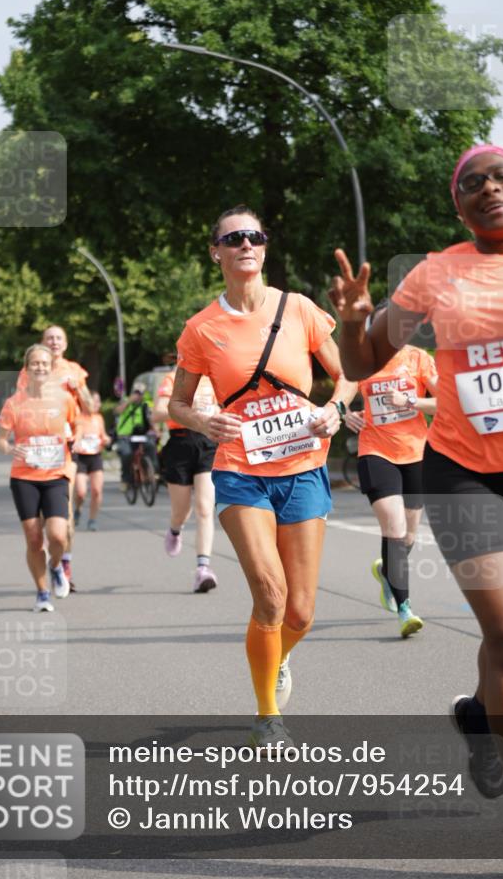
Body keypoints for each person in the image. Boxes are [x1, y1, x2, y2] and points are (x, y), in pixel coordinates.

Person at [329, 145, 503, 874]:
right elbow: (358, 364)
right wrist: (351, 321)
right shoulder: (435, 274)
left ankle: (478, 714)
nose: (489, 188)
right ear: (457, 205)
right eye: (472, 183)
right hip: (463, 471)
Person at [170, 204, 356, 749]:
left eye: (255, 236)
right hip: (240, 471)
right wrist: (203, 418)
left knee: (301, 610)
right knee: (270, 595)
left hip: (303, 467)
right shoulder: (201, 328)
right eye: (233, 239)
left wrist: (336, 411)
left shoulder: (298, 309)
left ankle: (276, 658)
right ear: (217, 252)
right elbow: (179, 404)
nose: (245, 244)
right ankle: (267, 713)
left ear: (265, 247)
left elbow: (347, 374)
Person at [345, 300, 438, 637]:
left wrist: (411, 401)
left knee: (409, 535)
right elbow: (341, 392)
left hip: (415, 453)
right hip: (375, 451)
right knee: (395, 529)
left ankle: (387, 569)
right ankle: (404, 608)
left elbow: (446, 402)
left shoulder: (418, 359)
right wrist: (343, 412)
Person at [0, 344, 78, 613]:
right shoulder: (14, 403)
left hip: (55, 474)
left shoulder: (64, 399)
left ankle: (55, 566)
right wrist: (10, 448)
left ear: (51, 367)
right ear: (27, 368)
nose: (40, 367)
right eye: (35, 364)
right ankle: (42, 592)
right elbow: (0, 441)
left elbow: (75, 428)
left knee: (57, 535)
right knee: (33, 539)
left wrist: (72, 445)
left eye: (44, 363)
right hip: (24, 477)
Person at [17, 325, 93, 588]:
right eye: (49, 337)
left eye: (59, 337)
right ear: (43, 342)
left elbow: (90, 407)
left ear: (66, 344)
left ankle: (64, 563)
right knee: (38, 523)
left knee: (67, 515)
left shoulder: (74, 370)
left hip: (66, 447)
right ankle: (50, 560)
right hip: (40, 450)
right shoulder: (31, 370)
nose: (54, 341)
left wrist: (77, 388)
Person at [152, 367, 219, 592]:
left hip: (208, 442)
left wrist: (217, 412)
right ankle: (174, 529)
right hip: (179, 443)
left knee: (204, 507)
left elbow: (227, 407)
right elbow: (158, 413)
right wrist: (189, 411)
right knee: (181, 510)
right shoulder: (173, 378)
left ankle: (203, 568)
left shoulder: (213, 379)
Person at [72, 390, 111, 531]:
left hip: (95, 457)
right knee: (81, 492)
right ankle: (78, 509)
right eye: (93, 401)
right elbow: (75, 435)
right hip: (81, 458)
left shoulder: (99, 418)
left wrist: (106, 439)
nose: (96, 404)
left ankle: (92, 520)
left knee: (96, 491)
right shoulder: (78, 418)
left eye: (98, 401)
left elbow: (103, 435)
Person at [113, 381, 158, 486]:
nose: (137, 396)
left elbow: (150, 419)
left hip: (141, 435)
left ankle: (151, 472)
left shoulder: (145, 405)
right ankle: (126, 479)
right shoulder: (125, 402)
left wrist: (156, 431)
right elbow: (117, 411)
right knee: (127, 454)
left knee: (151, 446)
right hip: (125, 435)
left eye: (140, 393)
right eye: (136, 393)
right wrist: (129, 401)